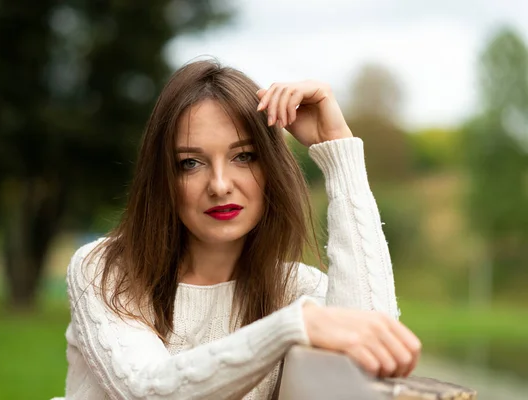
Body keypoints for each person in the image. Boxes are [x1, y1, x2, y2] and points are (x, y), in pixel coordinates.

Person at [60, 59, 422, 400]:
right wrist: (289, 328)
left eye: (243, 156)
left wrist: (339, 152)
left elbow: (373, 356)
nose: (219, 185)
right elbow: (147, 391)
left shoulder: (297, 291)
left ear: (270, 169)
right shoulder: (106, 271)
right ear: (163, 179)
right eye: (190, 163)